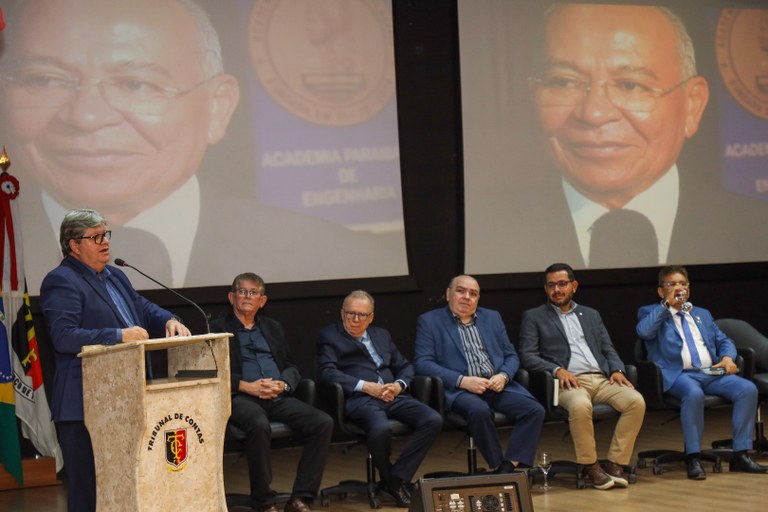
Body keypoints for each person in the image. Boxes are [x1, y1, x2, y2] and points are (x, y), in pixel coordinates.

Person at [0, 0, 407, 292]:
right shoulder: (8, 256)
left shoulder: (337, 258)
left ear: (218, 107)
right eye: (44, 80)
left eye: (135, 84)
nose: (85, 117)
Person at [464, 3, 768, 273]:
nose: (594, 113)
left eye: (631, 85)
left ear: (693, 105)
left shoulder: (757, 230)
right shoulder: (487, 237)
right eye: (564, 82)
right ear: (533, 97)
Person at [39, 208, 192, 512]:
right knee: (89, 491)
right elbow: (64, 336)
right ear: (73, 245)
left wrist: (169, 320)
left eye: (105, 234)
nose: (104, 242)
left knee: (127, 486)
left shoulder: (114, 275)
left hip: (125, 399)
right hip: (85, 404)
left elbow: (143, 307)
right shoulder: (61, 280)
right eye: (95, 237)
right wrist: (119, 335)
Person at [210, 273, 333, 512]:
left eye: (253, 292)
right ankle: (264, 502)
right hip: (240, 397)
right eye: (242, 291)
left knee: (323, 422)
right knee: (259, 424)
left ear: (262, 300)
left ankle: (301, 498)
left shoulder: (272, 327)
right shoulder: (216, 329)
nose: (247, 296)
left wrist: (283, 385)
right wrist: (245, 386)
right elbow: (210, 371)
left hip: (276, 395)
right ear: (231, 297)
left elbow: (291, 367)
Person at [519, 263, 645, 490]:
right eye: (551, 285)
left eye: (562, 284)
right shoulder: (534, 316)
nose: (557, 290)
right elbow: (527, 356)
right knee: (580, 405)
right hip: (568, 382)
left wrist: (616, 370)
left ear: (574, 286)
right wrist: (557, 370)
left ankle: (616, 463)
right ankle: (591, 466)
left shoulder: (591, 314)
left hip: (601, 379)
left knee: (636, 401)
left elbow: (609, 349)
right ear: (546, 289)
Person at [637, 264, 768, 480]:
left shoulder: (701, 314)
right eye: (672, 284)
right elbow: (643, 331)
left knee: (747, 389)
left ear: (689, 288)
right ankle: (694, 457)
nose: (678, 288)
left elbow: (724, 340)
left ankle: (740, 455)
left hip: (709, 373)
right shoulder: (651, 312)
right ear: (661, 291)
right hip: (677, 375)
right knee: (693, 394)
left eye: (682, 283)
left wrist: (727, 357)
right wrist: (666, 305)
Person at [316, 290, 442, 508]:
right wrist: (366, 387)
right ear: (342, 313)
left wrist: (398, 385)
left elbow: (404, 366)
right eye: (350, 314)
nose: (356, 320)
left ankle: (395, 478)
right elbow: (326, 372)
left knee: (433, 419)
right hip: (361, 398)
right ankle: (393, 482)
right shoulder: (329, 336)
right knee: (381, 429)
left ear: (371, 317)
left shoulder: (381, 334)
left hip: (392, 394)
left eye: (362, 315)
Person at [414, 275, 545, 474]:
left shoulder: (492, 317)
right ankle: (496, 465)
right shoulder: (430, 321)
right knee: (479, 411)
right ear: (448, 294)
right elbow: (423, 363)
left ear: (478, 298)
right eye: (461, 291)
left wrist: (503, 376)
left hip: (496, 385)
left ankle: (508, 468)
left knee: (535, 410)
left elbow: (511, 355)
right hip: (461, 390)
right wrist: (463, 381)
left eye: (473, 293)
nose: (467, 297)